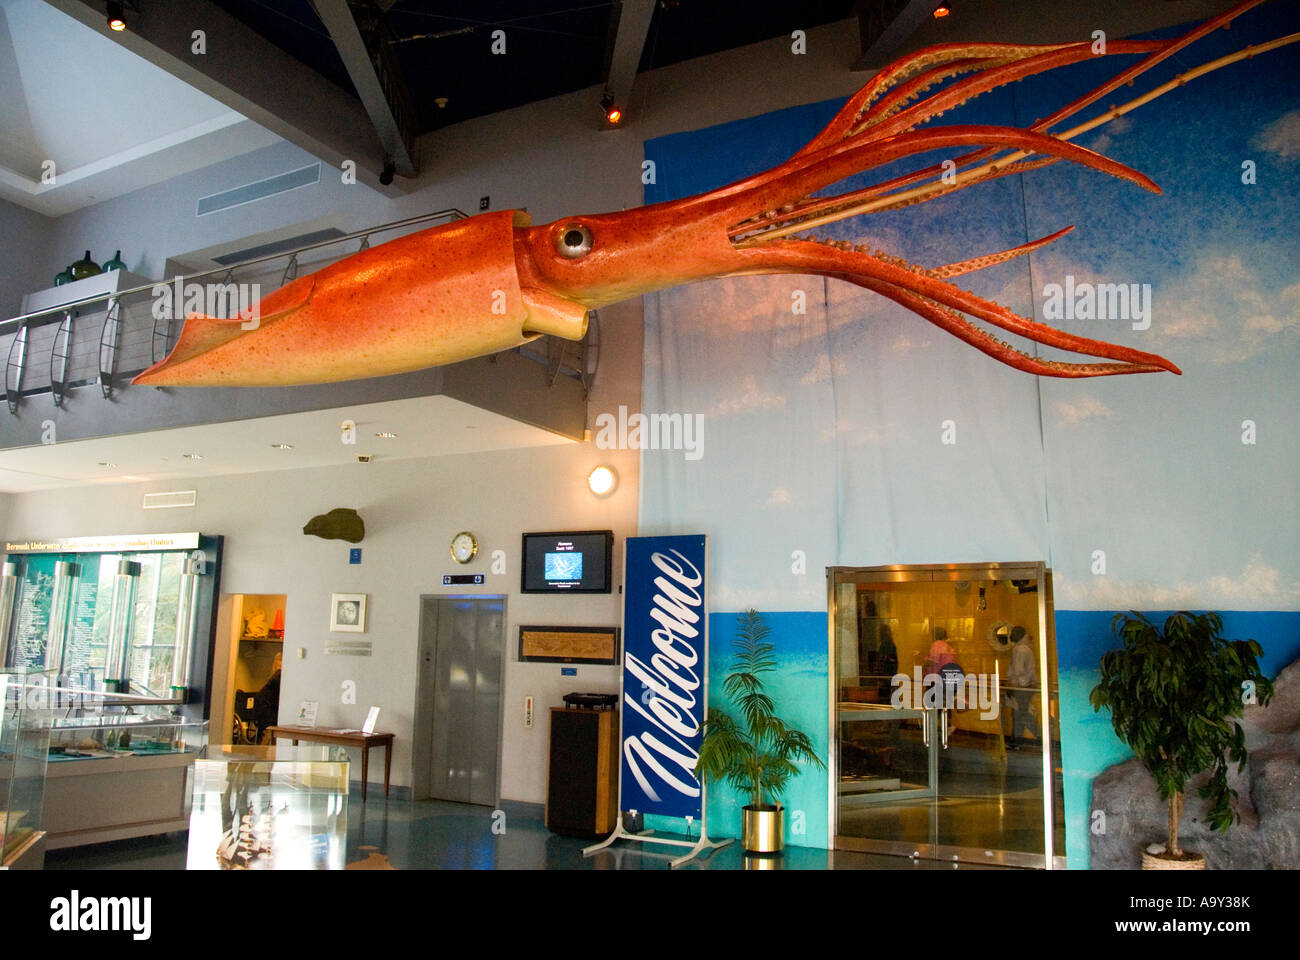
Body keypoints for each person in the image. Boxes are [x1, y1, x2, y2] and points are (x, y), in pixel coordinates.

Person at [1006, 626, 1038, 749]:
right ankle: (1018, 740)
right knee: (1021, 713)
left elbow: (1018, 671)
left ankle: (1020, 740)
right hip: (1027, 685)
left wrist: (1013, 686)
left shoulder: (1019, 649)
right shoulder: (1027, 648)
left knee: (1019, 714)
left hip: (1022, 686)